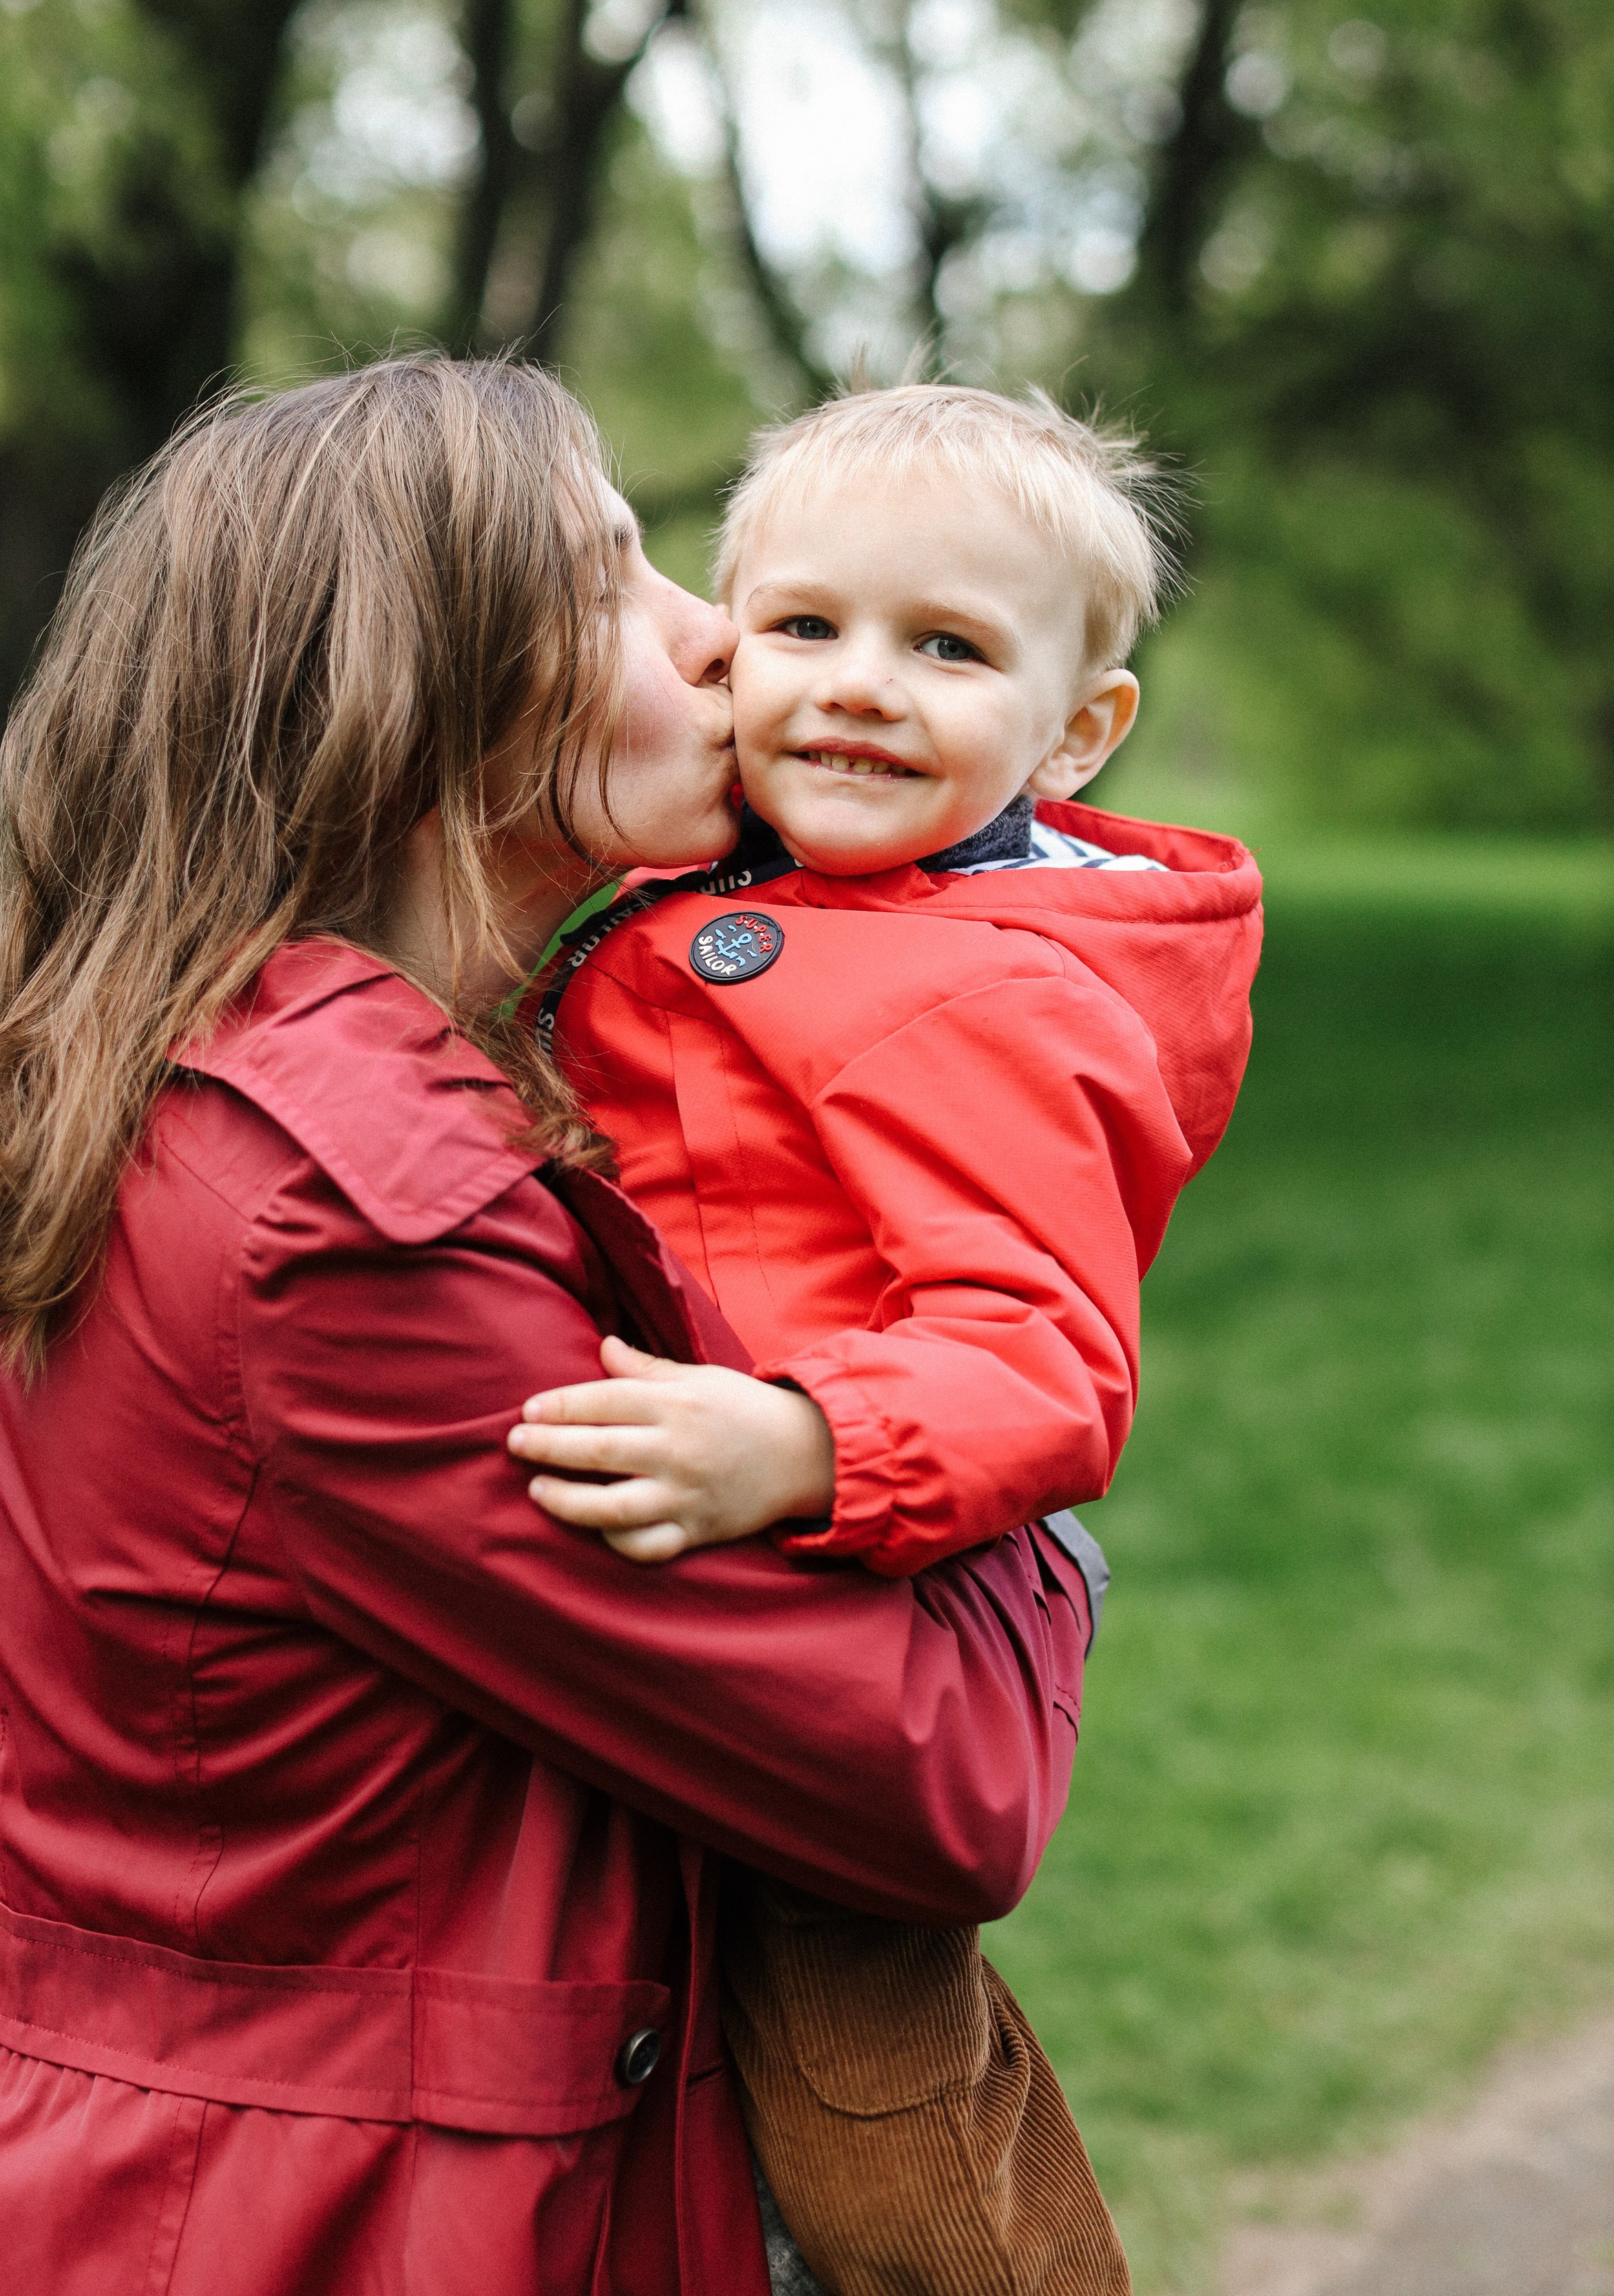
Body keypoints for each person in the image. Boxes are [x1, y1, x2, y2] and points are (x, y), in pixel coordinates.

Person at [0, 359, 1102, 2296]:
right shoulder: (345, 1219)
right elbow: (946, 1782)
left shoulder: (270, 1093)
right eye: (616, 582)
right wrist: (1031, 1466)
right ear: (425, 702)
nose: (721, 640)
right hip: (284, 2230)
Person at [518, 382, 1264, 2296]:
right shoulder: (722, 885)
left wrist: (803, 1439)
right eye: (806, 626)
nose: (859, 685)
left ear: (1076, 730)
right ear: (725, 646)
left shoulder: (998, 993)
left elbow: (1041, 1358)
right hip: (720, 1566)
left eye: (948, 649)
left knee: (880, 2120)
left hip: (872, 1580)